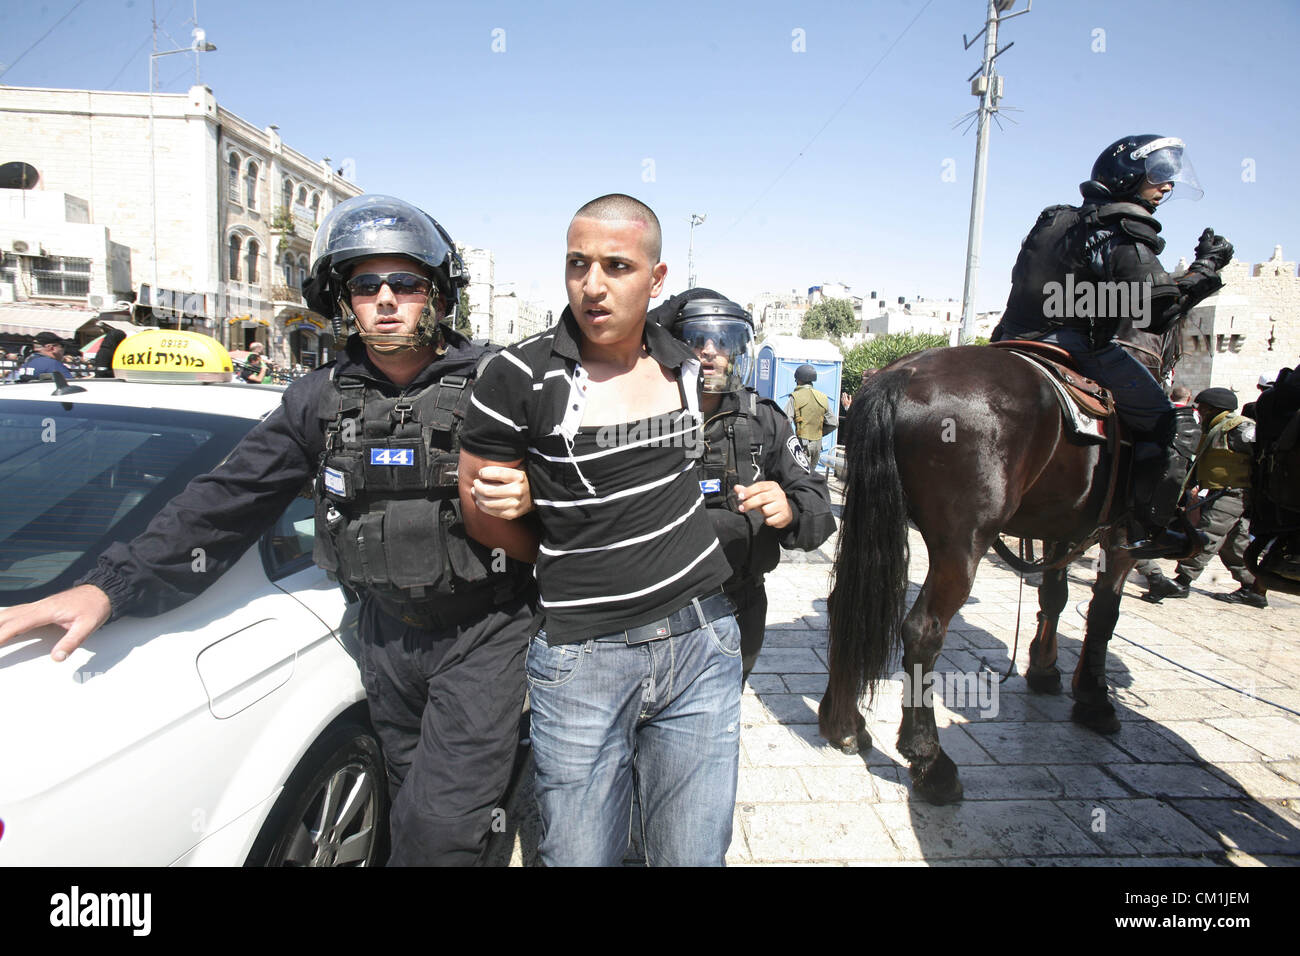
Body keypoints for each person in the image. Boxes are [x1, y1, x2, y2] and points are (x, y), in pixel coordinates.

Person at [0, 194, 537, 866]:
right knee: (405, 803)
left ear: (439, 293)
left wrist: (531, 500)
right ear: (342, 299)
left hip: (483, 635)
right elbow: (228, 499)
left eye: (406, 282)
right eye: (366, 285)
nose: (387, 300)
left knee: (443, 830)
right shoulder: (319, 398)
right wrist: (109, 587)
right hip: (384, 634)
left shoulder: (502, 383)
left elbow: (581, 498)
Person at [459, 193, 741, 867]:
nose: (592, 285)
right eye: (577, 264)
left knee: (692, 856)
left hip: (702, 645)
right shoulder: (517, 376)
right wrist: (556, 523)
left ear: (656, 277)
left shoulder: (684, 365)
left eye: (616, 266)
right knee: (578, 857)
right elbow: (483, 518)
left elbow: (672, 477)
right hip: (582, 661)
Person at [991, 135, 1234, 558]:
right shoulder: (1123, 227)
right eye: (1158, 177)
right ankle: (1147, 526)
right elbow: (1156, 312)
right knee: (1170, 423)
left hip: (1009, 340)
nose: (1166, 187)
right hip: (1076, 344)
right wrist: (1206, 268)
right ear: (1128, 176)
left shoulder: (1053, 220)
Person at [651, 291, 835, 681]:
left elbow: (817, 502)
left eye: (722, 343)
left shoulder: (765, 421)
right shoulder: (647, 417)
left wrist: (789, 512)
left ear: (737, 352)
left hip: (737, 603)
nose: (709, 352)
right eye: (696, 341)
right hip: (656, 608)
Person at [1144, 387, 1267, 607]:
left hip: (1232, 493)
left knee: (1205, 537)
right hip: (1225, 492)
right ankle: (1252, 589)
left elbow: (1261, 461)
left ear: (1212, 408)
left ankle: (1182, 582)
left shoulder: (1240, 428)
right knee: (1234, 545)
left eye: (1202, 408)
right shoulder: (1215, 428)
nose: (1199, 412)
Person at [787, 364, 834, 472]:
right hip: (818, 445)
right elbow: (833, 423)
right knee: (811, 475)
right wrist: (819, 433)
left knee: (801, 476)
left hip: (802, 445)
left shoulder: (795, 397)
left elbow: (786, 420)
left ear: (798, 380)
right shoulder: (823, 397)